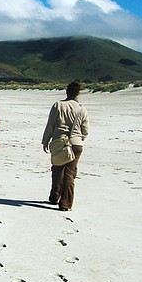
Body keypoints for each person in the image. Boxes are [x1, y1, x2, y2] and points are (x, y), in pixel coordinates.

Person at [41, 81, 90, 211]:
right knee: (70, 173)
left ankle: (54, 196)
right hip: (76, 144)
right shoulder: (82, 109)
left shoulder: (58, 105)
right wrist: (79, 137)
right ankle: (66, 203)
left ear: (66, 92)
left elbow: (50, 125)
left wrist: (45, 141)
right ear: (78, 94)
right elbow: (85, 131)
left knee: (57, 170)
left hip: (59, 142)